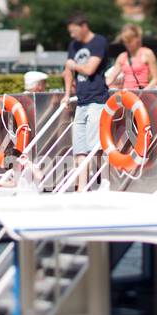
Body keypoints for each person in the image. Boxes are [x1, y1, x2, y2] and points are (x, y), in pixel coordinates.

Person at [61, 12, 111, 191]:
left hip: (97, 99)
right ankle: (82, 187)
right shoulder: (74, 45)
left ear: (83, 26)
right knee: (80, 148)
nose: (72, 35)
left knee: (95, 145)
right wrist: (67, 94)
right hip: (81, 101)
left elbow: (90, 69)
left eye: (74, 31)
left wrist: (73, 66)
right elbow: (67, 71)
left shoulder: (99, 42)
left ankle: (102, 182)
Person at [109, 24, 157, 91]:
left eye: (129, 41)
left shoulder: (147, 53)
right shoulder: (122, 56)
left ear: (137, 38)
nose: (127, 44)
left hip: (143, 94)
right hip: (127, 95)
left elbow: (155, 79)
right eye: (125, 42)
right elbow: (111, 78)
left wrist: (143, 92)